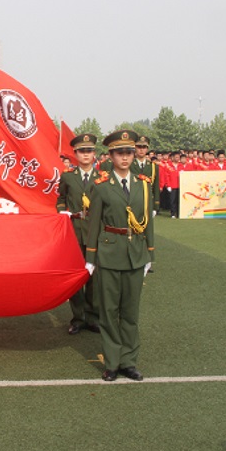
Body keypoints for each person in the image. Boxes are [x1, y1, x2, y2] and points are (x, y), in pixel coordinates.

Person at [85, 130, 154, 382]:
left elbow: (148, 224)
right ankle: (112, 362)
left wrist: (150, 254)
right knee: (109, 311)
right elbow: (94, 222)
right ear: (110, 156)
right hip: (109, 252)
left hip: (135, 253)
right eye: (119, 153)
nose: (125, 157)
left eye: (129, 152)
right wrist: (91, 257)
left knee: (130, 312)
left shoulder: (143, 184)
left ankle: (129, 362)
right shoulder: (101, 186)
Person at [56, 133, 100, 336]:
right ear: (75, 154)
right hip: (74, 230)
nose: (85, 154)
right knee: (75, 275)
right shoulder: (68, 176)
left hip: (95, 231)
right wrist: (62, 211)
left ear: (94, 153)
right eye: (82, 151)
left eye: (89, 151)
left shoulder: (103, 177)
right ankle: (78, 318)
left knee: (94, 277)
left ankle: (93, 317)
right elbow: (61, 198)